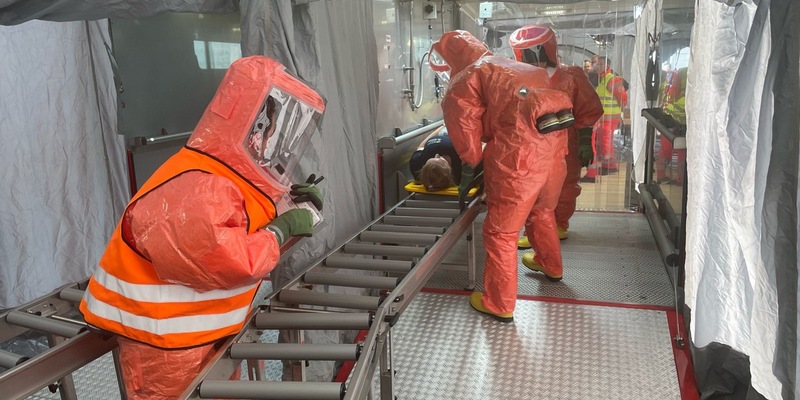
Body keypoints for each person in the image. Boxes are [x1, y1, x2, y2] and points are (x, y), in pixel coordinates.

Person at [79, 56, 325, 399]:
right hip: (164, 344)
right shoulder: (200, 186)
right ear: (246, 119)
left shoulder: (227, 176)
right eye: (265, 125)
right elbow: (228, 260)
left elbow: (243, 234)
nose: (268, 137)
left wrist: (288, 208)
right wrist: (281, 229)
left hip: (205, 334)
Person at [429, 30, 575, 322]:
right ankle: (550, 265)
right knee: (542, 212)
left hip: (518, 161)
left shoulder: (469, 76)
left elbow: (464, 126)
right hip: (554, 156)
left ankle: (499, 302)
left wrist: (472, 164)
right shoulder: (518, 67)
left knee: (501, 233)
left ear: (452, 56)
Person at [508, 24, 603, 259]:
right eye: (527, 52)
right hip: (532, 145)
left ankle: (559, 225)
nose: (533, 57)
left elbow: (587, 107)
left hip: (565, 144)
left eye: (537, 50)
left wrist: (584, 140)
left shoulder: (571, 76)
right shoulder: (521, 79)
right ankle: (535, 232)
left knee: (565, 188)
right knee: (532, 189)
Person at [582, 54, 628, 181]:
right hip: (603, 117)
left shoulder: (611, 80)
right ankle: (608, 165)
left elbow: (623, 98)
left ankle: (609, 166)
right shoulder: (601, 79)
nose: (598, 66)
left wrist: (618, 112)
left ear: (608, 66)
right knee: (603, 141)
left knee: (605, 141)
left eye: (601, 64)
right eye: (597, 64)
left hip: (609, 117)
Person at [656, 63, 687, 184]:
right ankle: (681, 179)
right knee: (681, 154)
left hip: (667, 126)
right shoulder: (687, 99)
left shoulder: (669, 89)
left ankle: (661, 176)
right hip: (679, 129)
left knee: (664, 152)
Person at [409, 126, 462, 191]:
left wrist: (441, 127)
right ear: (449, 168)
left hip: (441, 133)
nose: (437, 155)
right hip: (459, 136)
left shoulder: (416, 165)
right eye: (440, 159)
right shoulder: (461, 167)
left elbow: (421, 146)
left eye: (431, 158)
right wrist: (445, 125)